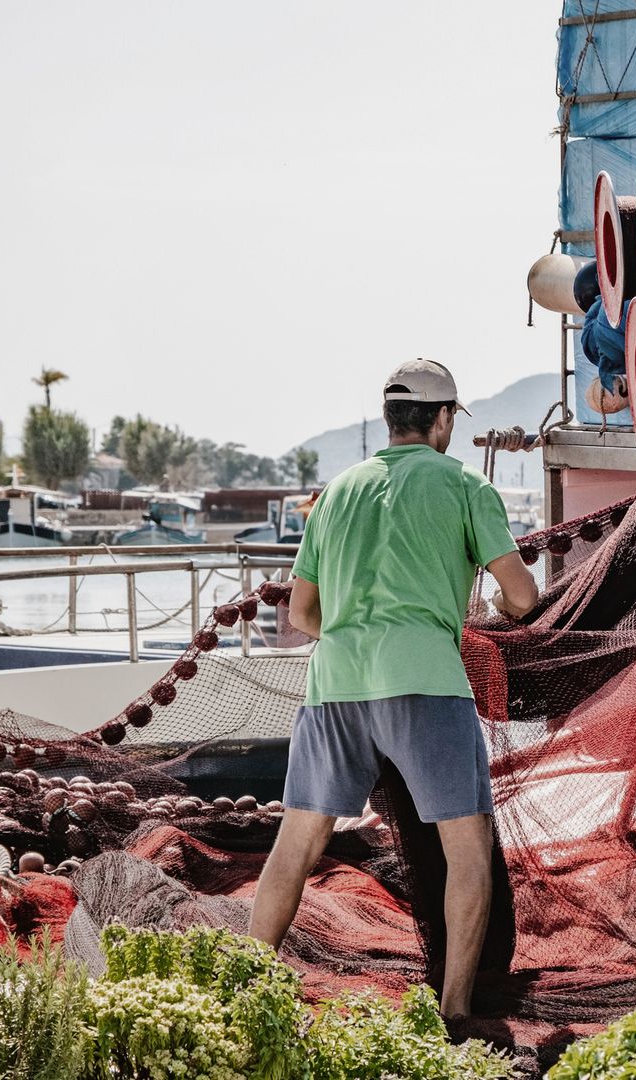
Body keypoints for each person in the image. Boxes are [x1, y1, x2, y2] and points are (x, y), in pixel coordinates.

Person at [247, 359, 539, 1019]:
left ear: (389, 420)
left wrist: (352, 629)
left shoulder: (337, 491)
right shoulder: (464, 485)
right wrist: (485, 600)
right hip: (426, 684)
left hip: (335, 687)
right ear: (442, 420)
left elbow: (302, 615)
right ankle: (455, 1015)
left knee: (296, 842)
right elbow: (523, 597)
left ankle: (245, 982)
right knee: (466, 851)